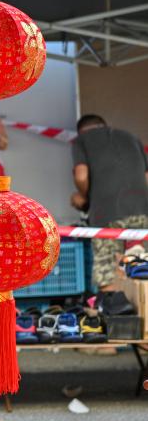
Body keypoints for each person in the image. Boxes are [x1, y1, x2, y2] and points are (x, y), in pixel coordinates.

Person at [70, 114, 148, 291]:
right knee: (142, 268)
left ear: (81, 131)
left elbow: (81, 176)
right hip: (142, 210)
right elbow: (146, 177)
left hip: (106, 215)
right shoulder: (131, 137)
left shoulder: (81, 141)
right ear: (104, 125)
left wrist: (84, 198)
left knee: (109, 274)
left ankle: (115, 313)